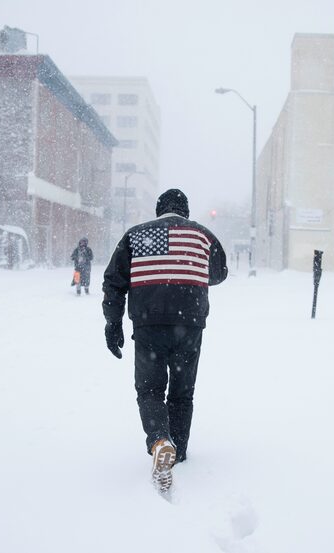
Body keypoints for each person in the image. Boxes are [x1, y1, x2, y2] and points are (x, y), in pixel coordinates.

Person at [102, 189, 227, 493]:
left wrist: (112, 323)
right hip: (190, 323)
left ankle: (160, 440)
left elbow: (114, 282)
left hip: (149, 323)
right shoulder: (202, 236)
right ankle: (178, 452)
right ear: (185, 210)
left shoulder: (135, 236)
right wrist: (188, 269)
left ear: (159, 210)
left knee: (150, 389)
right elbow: (219, 273)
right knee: (182, 393)